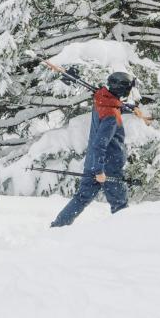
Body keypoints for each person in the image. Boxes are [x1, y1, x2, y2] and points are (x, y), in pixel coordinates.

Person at [50, 68, 137, 227]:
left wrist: (130, 107)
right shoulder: (111, 114)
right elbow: (100, 144)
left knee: (81, 198)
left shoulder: (101, 100)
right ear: (123, 89)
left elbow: (113, 104)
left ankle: (58, 226)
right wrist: (99, 171)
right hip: (107, 167)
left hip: (93, 161)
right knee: (120, 205)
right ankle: (125, 234)